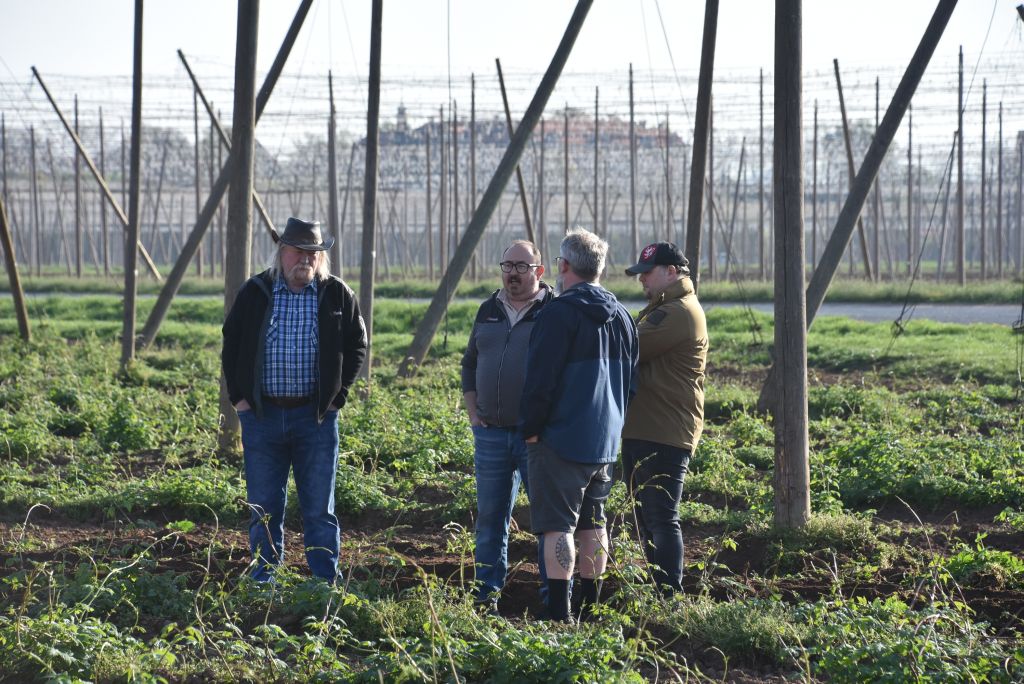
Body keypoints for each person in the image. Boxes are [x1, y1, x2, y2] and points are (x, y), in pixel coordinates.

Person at [222, 217, 367, 584]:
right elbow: (231, 344)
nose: (305, 258)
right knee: (264, 507)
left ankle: (323, 583)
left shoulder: (336, 294)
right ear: (281, 251)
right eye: (298, 251)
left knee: (319, 508)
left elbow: (357, 345)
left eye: (313, 252)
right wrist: (240, 400)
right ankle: (264, 578)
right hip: (263, 417)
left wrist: (337, 398)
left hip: (315, 420)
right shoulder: (255, 292)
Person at [519, 227, 638, 622]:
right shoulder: (622, 316)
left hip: (560, 440)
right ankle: (591, 607)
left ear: (564, 265)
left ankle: (559, 614)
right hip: (603, 442)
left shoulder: (559, 313)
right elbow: (631, 383)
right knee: (593, 525)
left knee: (558, 529)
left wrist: (532, 429)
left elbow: (540, 381)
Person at [461, 240, 554, 612]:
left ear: (539, 271)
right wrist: (473, 413)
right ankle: (487, 597)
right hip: (492, 435)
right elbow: (469, 363)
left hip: (537, 438)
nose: (513, 272)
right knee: (490, 520)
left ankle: (553, 598)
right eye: (507, 265)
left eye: (522, 266)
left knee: (548, 521)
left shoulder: (553, 312)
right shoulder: (488, 310)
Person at [621, 241, 708, 593]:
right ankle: (662, 590)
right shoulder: (666, 307)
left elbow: (628, 347)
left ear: (671, 272)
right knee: (648, 518)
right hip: (648, 427)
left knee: (661, 517)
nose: (642, 281)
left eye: (647, 273)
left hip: (664, 431)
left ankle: (669, 595)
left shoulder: (677, 313)